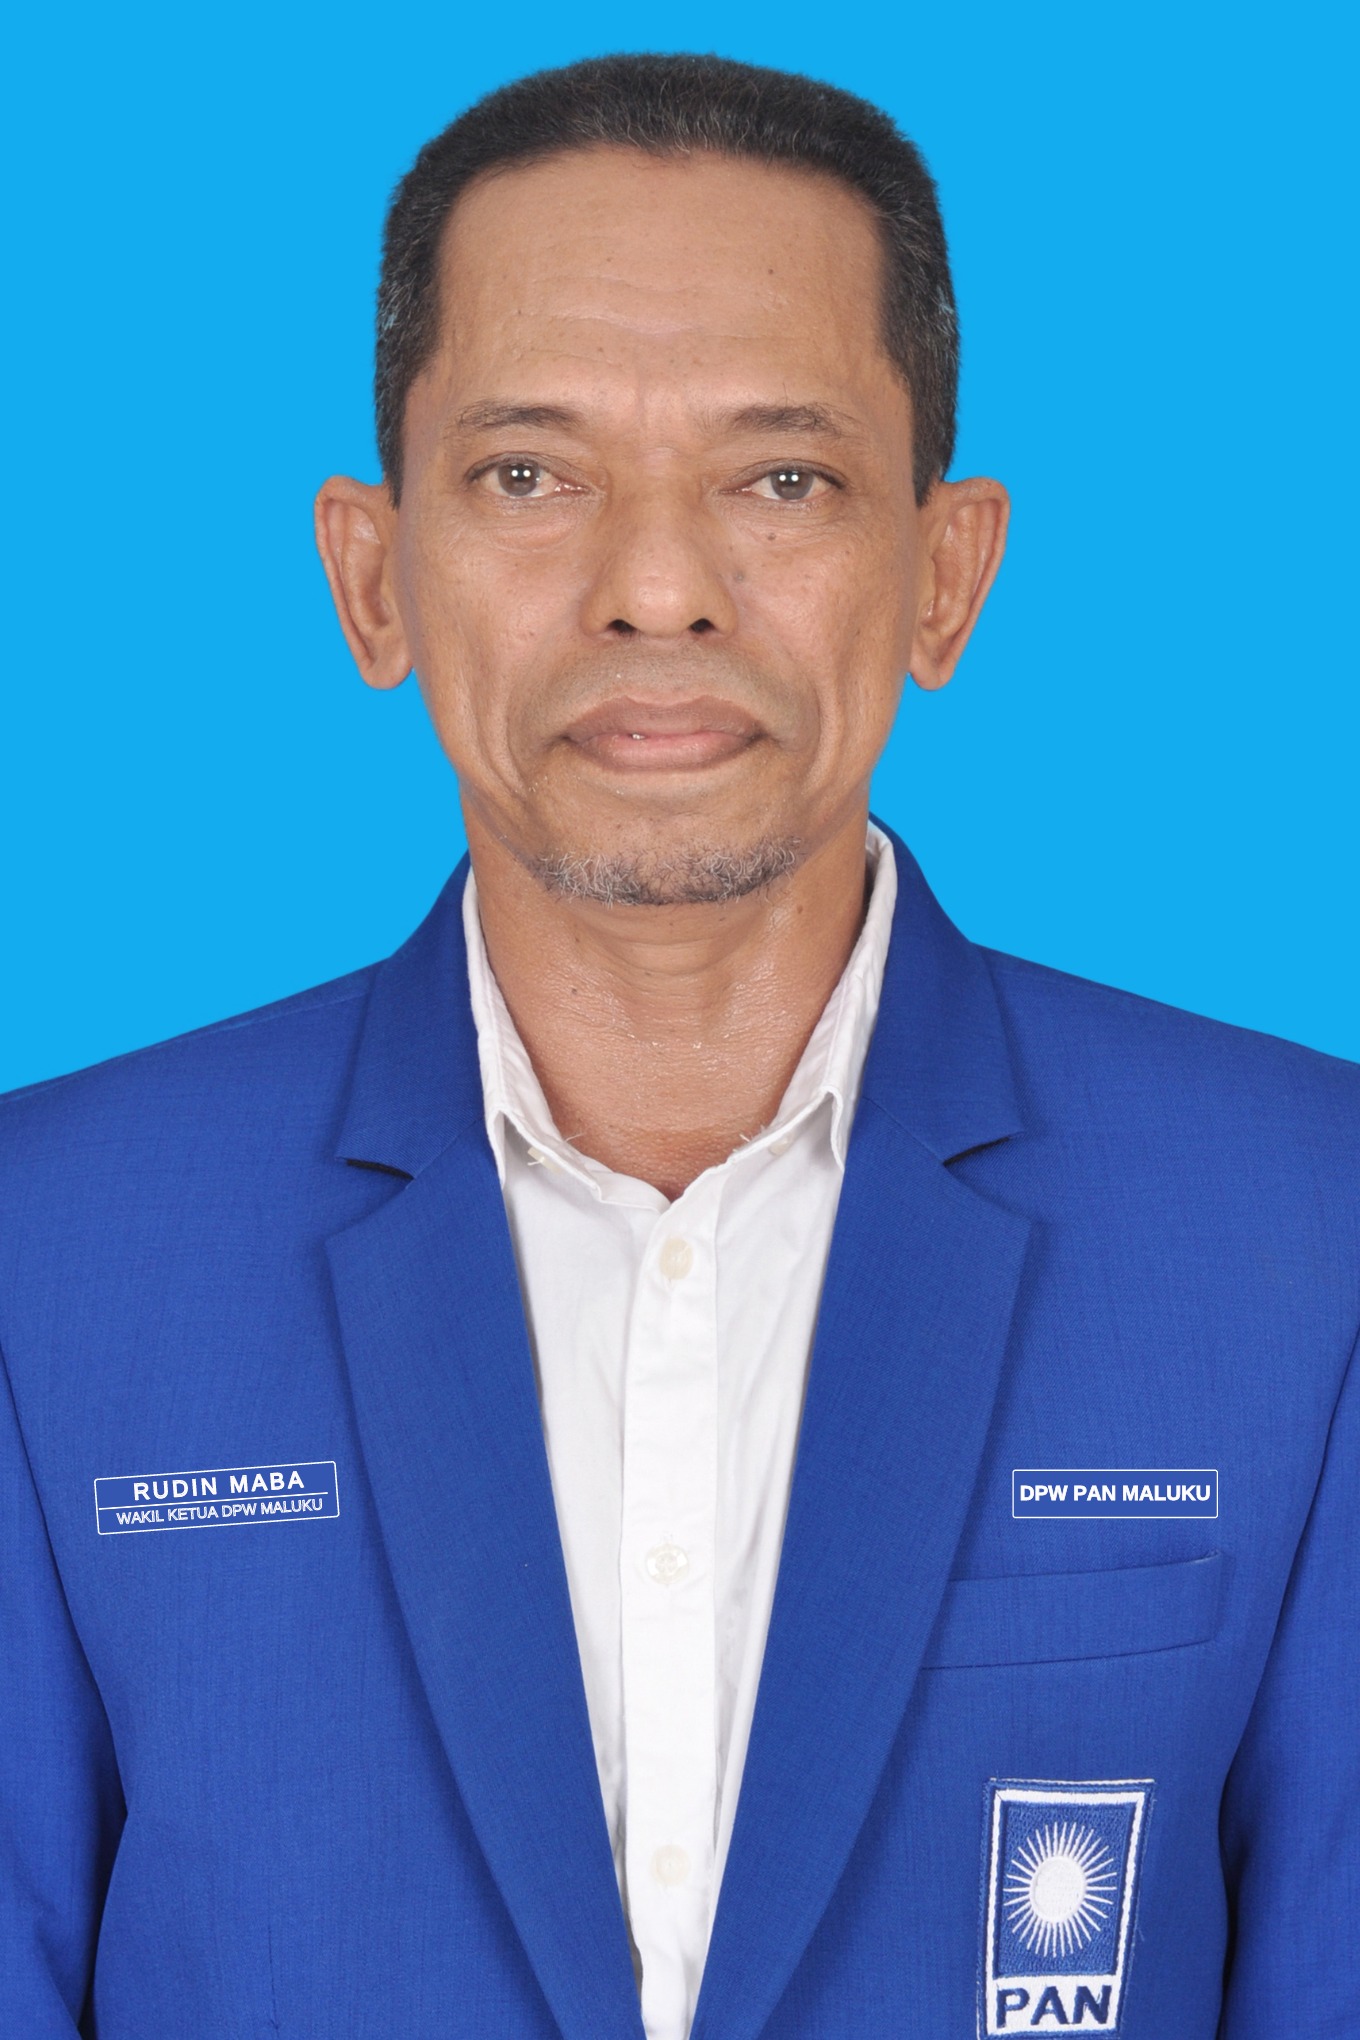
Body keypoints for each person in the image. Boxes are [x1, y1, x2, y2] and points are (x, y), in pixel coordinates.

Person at [0, 50, 1355, 2040]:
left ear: (944, 574)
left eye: (780, 478)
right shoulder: (47, 1248)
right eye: (526, 475)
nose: (654, 591)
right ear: (373, 577)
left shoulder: (1304, 1228)